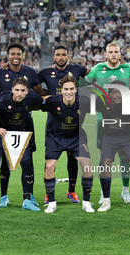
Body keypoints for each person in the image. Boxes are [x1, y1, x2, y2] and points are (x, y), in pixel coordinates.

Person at [0, 77, 43, 213]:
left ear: (27, 92)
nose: (19, 93)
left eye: (23, 91)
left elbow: (46, 102)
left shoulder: (32, 97)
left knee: (27, 163)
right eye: (17, 90)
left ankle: (26, 200)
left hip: (19, 135)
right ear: (12, 90)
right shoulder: (1, 100)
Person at [84, 41, 130, 205]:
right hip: (103, 118)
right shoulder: (97, 69)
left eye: (116, 52)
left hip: (125, 117)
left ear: (120, 54)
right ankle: (103, 192)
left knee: (125, 156)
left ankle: (125, 191)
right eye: (110, 52)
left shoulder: (129, 68)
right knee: (103, 156)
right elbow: (84, 84)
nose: (113, 54)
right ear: (105, 54)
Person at [0, 43, 45, 204]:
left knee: (27, 160)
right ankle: (3, 197)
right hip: (4, 122)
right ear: (7, 55)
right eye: (12, 54)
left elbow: (39, 93)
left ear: (23, 55)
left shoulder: (30, 72)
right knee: (4, 160)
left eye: (18, 54)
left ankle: (29, 196)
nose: (15, 56)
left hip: (25, 122)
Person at [38, 45, 89, 204]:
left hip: (74, 118)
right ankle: (49, 193)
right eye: (58, 55)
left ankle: (72, 191)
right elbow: (33, 84)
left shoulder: (77, 69)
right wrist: (44, 94)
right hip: (53, 121)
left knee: (73, 158)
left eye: (63, 54)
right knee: (49, 160)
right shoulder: (46, 72)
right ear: (54, 57)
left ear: (68, 56)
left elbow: (92, 73)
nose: (61, 57)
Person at [41, 75, 94, 213]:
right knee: (49, 166)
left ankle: (86, 202)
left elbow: (104, 107)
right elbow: (36, 104)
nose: (69, 91)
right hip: (55, 137)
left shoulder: (85, 101)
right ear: (61, 90)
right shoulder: (53, 101)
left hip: (77, 137)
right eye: (66, 89)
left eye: (71, 88)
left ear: (76, 89)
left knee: (87, 166)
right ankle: (52, 202)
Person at [95, 82, 130, 212]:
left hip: (129, 136)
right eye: (115, 92)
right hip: (110, 137)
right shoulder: (101, 102)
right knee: (106, 163)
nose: (118, 95)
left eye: (121, 92)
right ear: (110, 94)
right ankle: (106, 200)